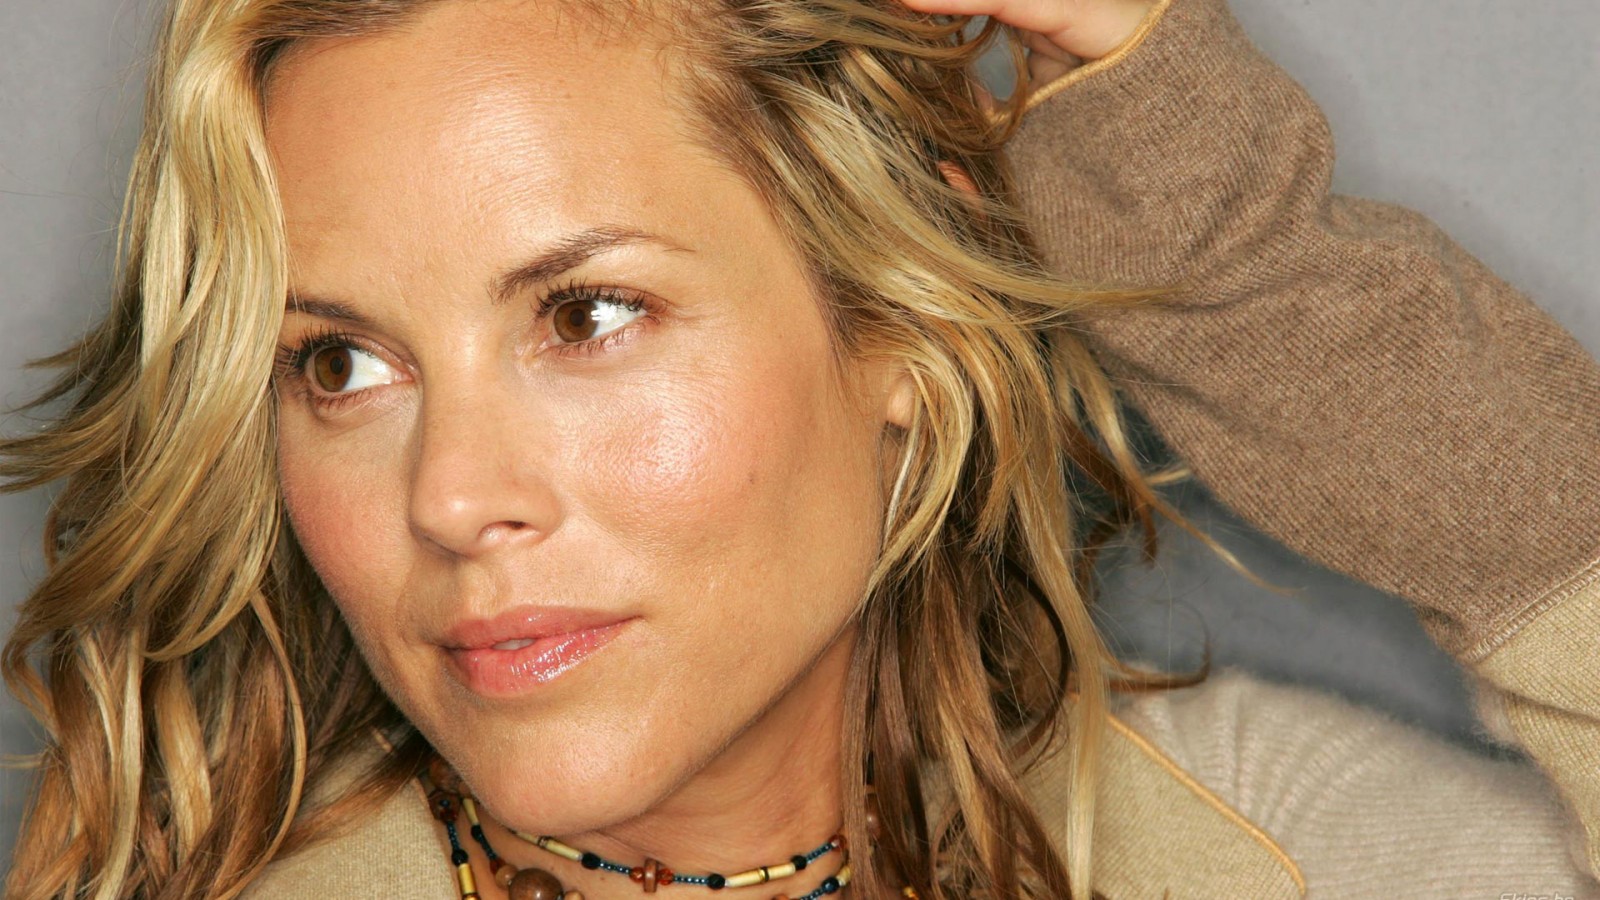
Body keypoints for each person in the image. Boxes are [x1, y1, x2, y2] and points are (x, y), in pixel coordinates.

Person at [2, 0, 1597, 898]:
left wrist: (1226, 245)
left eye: (588, 315)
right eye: (340, 363)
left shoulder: (1288, 850)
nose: (455, 497)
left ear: (900, 326)